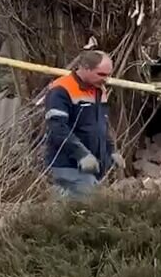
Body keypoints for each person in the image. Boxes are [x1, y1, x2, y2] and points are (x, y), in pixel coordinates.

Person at [44, 50, 124, 197]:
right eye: (101, 74)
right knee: (86, 206)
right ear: (85, 68)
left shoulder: (98, 89)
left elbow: (102, 125)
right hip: (68, 164)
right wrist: (81, 154)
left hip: (93, 165)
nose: (106, 79)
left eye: (108, 74)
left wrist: (111, 151)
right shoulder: (61, 90)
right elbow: (57, 128)